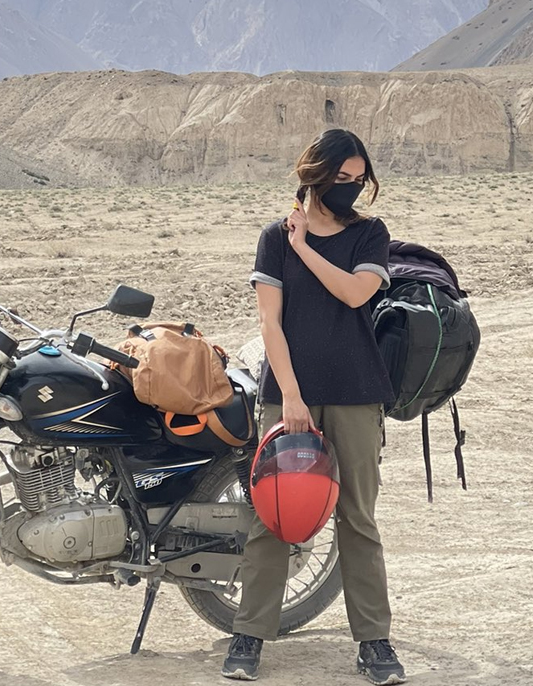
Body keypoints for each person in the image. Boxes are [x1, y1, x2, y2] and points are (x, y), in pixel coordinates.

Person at [222, 129, 405, 684]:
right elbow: (269, 323)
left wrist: (306, 247)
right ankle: (249, 637)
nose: (351, 189)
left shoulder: (370, 235)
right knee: (273, 516)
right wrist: (292, 397)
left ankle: (374, 643)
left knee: (358, 520)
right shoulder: (272, 238)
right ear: (315, 178)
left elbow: (354, 294)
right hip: (288, 396)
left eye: (358, 180)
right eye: (341, 179)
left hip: (355, 393)